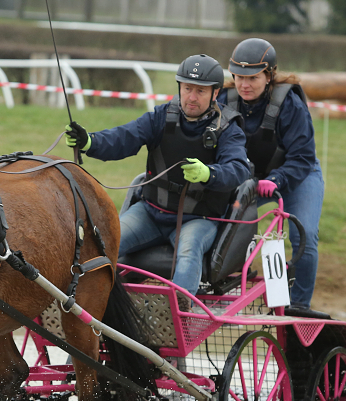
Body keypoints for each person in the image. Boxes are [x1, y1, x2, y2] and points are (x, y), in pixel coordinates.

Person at [64, 54, 250, 310]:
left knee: (189, 251)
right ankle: (84, 308)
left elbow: (239, 169)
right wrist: (90, 142)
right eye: (187, 88)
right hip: (150, 213)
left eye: (200, 91)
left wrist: (210, 173)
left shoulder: (229, 128)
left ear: (215, 93)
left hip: (198, 220)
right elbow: (125, 137)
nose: (191, 97)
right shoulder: (161, 116)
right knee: (102, 242)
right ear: (179, 88)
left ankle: (177, 318)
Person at [216, 38, 326, 316]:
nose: (244, 85)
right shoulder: (222, 99)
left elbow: (302, 157)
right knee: (217, 219)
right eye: (238, 77)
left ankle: (299, 305)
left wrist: (276, 181)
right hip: (247, 178)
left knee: (306, 235)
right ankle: (222, 281)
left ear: (269, 75)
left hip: (297, 173)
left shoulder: (290, 103)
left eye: (252, 78)